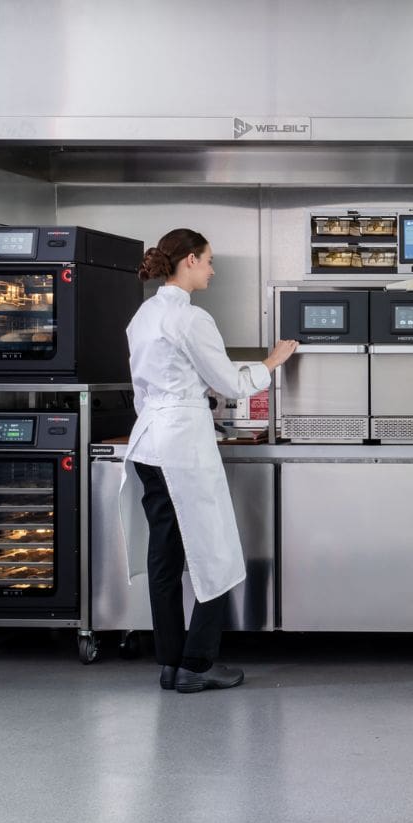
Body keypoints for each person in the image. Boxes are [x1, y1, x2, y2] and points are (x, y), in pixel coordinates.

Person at [119, 229, 297, 694]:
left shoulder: (142, 316)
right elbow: (230, 384)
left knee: (164, 556)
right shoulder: (192, 319)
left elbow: (143, 391)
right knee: (214, 550)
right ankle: (197, 664)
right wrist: (271, 362)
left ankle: (169, 663)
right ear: (190, 261)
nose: (213, 270)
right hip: (183, 448)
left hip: (148, 444)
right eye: (210, 261)